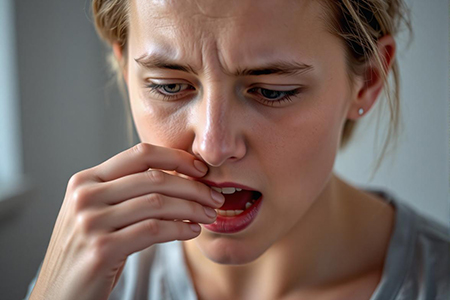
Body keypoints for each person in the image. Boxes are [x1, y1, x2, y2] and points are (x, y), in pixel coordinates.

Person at [25, 0, 449, 299]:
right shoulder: (85, 281)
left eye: (272, 91)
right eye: (169, 86)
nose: (213, 146)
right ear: (124, 67)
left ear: (369, 80)